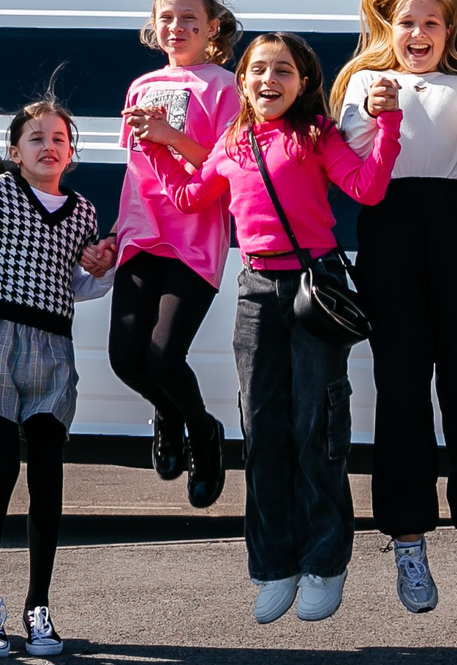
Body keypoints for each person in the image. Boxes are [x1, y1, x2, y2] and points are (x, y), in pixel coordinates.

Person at [147, 32, 401, 626]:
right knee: (261, 428)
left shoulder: (317, 135)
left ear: (305, 82)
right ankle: (273, 565)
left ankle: (324, 561)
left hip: (316, 284)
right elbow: (189, 197)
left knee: (316, 425)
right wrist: (160, 147)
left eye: (283, 70)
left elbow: (368, 187)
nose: (269, 80)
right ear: (243, 81)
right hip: (257, 288)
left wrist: (387, 126)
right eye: (258, 69)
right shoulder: (232, 142)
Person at [332, 0, 457, 612]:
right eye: (406, 22)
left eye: (433, 23)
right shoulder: (362, 82)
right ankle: (408, 545)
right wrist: (377, 109)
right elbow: (352, 146)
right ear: (387, 27)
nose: (418, 34)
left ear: (448, 31)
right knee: (401, 388)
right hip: (390, 228)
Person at [0, 100, 119, 659]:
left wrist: (98, 271)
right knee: (1, 463)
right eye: (35, 138)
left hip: (51, 343)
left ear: (71, 153)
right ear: (14, 152)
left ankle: (39, 604)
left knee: (49, 471)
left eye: (59, 138)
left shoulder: (82, 211)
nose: (48, 146)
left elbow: (73, 283)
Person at [112, 0, 243, 509]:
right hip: (142, 235)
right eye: (167, 17)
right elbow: (136, 170)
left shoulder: (225, 86)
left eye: (190, 18)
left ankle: (204, 436)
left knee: (164, 358)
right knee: (125, 358)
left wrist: (170, 135)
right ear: (154, 26)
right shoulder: (141, 87)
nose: (177, 27)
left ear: (211, 27)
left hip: (194, 238)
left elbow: (225, 163)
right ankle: (169, 414)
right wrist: (117, 235)